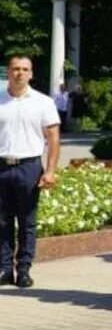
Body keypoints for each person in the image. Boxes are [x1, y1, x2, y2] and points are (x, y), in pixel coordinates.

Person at [0, 56, 60, 288]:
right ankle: (4, 269)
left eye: (25, 69)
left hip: (29, 166)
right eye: (15, 69)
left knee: (27, 222)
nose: (20, 73)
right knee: (2, 221)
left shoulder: (43, 102)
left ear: (31, 74)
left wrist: (51, 170)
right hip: (2, 165)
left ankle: (23, 269)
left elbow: (53, 138)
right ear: (8, 71)